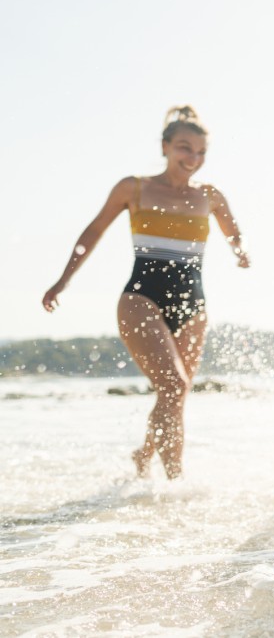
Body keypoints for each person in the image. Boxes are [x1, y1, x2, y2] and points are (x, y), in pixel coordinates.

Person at [42, 106, 251, 480]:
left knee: (175, 395)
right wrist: (63, 281)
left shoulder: (210, 195)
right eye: (185, 148)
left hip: (194, 304)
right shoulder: (134, 187)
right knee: (174, 384)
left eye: (201, 152)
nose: (194, 159)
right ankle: (176, 486)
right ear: (165, 146)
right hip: (141, 299)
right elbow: (93, 231)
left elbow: (234, 232)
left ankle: (144, 457)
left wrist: (240, 252)